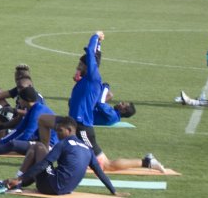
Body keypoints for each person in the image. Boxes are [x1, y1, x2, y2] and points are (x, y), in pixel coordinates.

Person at [37, 31, 164, 173]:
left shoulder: (93, 76)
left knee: (106, 165)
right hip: (71, 121)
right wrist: (99, 44)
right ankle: (45, 153)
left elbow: (92, 54)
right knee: (43, 120)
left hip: (81, 127)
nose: (78, 67)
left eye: (80, 65)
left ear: (88, 66)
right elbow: (95, 56)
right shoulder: (85, 80)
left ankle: (147, 162)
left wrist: (96, 36)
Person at [2, 116, 119, 197]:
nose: (57, 134)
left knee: (38, 147)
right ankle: (19, 183)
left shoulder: (63, 144)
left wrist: (20, 179)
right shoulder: (87, 148)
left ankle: (17, 183)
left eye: (60, 131)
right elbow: (99, 171)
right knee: (39, 155)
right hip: (67, 189)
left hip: (50, 187)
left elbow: (44, 164)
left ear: (69, 130)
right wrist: (113, 190)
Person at [0, 86, 55, 158]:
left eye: (19, 99)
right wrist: (3, 141)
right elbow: (18, 130)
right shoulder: (32, 109)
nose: (18, 102)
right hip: (38, 141)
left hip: (48, 146)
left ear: (26, 100)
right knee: (6, 141)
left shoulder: (37, 111)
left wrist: (13, 143)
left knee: (14, 144)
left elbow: (28, 133)